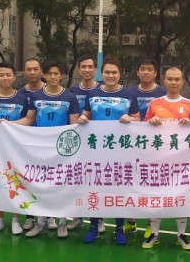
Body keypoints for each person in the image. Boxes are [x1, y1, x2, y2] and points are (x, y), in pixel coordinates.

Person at [78, 57, 140, 244]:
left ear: (120, 74)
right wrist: (82, 118)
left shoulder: (128, 94)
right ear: (101, 73)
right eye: (107, 72)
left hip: (120, 150)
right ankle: (94, 227)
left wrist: (131, 119)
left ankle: (119, 229)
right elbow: (85, 115)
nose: (110, 75)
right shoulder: (93, 93)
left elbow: (138, 118)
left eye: (114, 72)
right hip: (96, 150)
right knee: (95, 188)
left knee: (118, 190)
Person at [17, 61, 80, 238]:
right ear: (44, 75)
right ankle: (40, 223)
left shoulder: (70, 97)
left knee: (61, 185)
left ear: (61, 75)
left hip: (61, 148)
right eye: (50, 73)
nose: (53, 76)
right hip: (40, 147)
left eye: (56, 73)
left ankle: (62, 223)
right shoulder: (36, 96)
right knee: (40, 184)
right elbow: (29, 119)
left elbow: (74, 124)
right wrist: (7, 123)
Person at [142, 66, 190, 251]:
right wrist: (150, 122)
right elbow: (142, 130)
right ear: (164, 81)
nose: (173, 82)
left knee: (181, 196)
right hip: (158, 160)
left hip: (182, 161)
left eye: (177, 79)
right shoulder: (155, 104)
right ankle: (154, 234)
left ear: (182, 82)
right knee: (156, 196)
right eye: (170, 79)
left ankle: (181, 235)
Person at [0, 63, 30, 236]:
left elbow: (27, 120)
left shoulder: (22, 98)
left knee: (15, 181)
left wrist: (10, 125)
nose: (5, 78)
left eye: (8, 75)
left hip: (15, 146)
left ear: (13, 77)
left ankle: (16, 220)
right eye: (1, 75)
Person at [123, 58, 166, 239]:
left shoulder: (162, 93)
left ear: (155, 73)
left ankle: (150, 223)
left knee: (152, 184)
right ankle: (131, 221)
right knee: (132, 181)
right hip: (133, 144)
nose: (146, 72)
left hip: (155, 145)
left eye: (150, 69)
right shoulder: (130, 92)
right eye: (143, 69)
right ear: (137, 72)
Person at [68, 55, 101, 233]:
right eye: (83, 67)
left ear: (95, 69)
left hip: (97, 142)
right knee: (78, 178)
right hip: (77, 140)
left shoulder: (102, 89)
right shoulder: (73, 90)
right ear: (79, 70)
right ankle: (77, 216)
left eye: (90, 67)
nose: (87, 70)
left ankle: (99, 218)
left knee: (97, 179)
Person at [17, 57, 46, 231]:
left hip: (48, 142)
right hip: (27, 143)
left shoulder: (51, 90)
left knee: (49, 180)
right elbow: (24, 118)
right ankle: (30, 216)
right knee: (29, 179)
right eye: (29, 69)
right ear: (24, 72)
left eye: (36, 69)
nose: (33, 72)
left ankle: (50, 217)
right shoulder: (20, 94)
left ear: (41, 71)